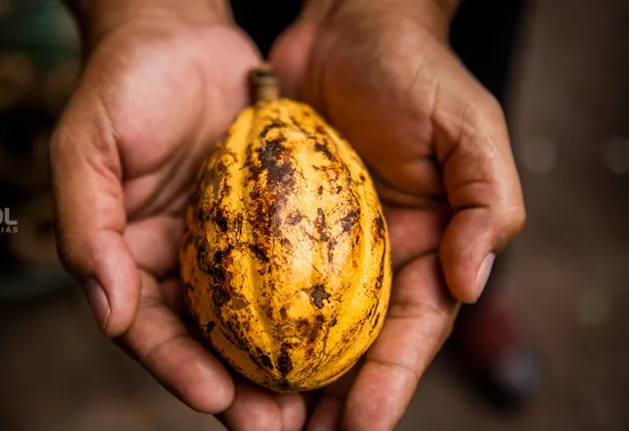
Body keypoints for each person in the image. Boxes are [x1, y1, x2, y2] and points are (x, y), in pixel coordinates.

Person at [50, 0, 527, 429]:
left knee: (451, 209)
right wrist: (143, 14)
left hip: (390, 54)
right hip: (210, 43)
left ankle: (478, 306)